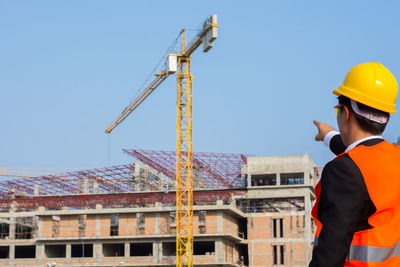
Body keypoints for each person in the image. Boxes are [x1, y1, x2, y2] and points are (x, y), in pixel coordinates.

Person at [309, 62, 400, 266]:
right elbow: (366, 159)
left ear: (346, 114)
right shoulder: (394, 158)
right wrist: (329, 136)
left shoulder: (343, 171)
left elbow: (330, 256)